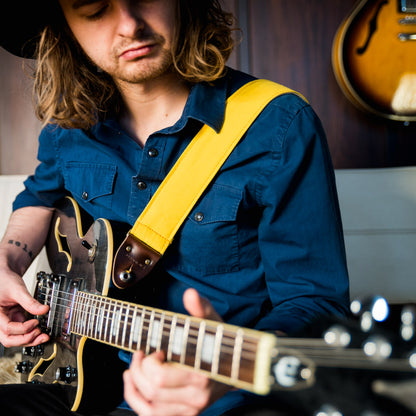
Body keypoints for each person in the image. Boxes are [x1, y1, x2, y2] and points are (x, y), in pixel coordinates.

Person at [0, 1, 350, 415]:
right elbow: (39, 196)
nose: (130, 25)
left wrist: (221, 370)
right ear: (64, 27)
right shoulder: (68, 127)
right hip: (83, 380)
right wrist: (8, 260)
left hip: (224, 400)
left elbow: (315, 303)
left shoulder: (280, 125)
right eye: (94, 8)